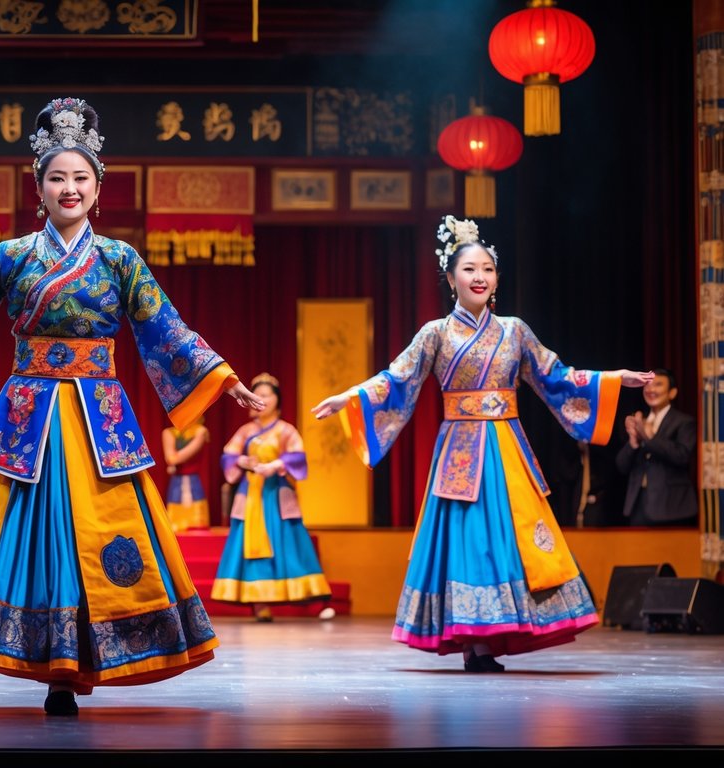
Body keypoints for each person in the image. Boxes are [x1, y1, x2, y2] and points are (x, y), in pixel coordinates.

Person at [0, 97, 264, 716]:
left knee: (103, 530)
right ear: (38, 188)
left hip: (98, 418)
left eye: (80, 177)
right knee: (36, 537)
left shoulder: (119, 259)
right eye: (57, 177)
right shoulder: (10, 257)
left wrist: (222, 378)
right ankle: (52, 665)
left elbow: (167, 330)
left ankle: (97, 649)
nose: (69, 188)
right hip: (30, 418)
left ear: (98, 188)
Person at [311, 215, 653, 673]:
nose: (480, 276)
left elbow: (556, 376)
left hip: (506, 446)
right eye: (470, 269)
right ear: (451, 277)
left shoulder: (515, 330)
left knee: (509, 537)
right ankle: (474, 639)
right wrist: (350, 397)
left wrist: (611, 379)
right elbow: (397, 378)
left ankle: (499, 630)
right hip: (459, 449)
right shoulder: (435, 333)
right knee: (467, 540)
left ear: (496, 279)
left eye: (488, 269)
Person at [212, 373, 336, 622]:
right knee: (250, 545)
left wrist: (276, 464)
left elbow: (297, 456)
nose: (262, 400)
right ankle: (260, 604)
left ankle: (311, 599)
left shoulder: (285, 430)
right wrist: (243, 461)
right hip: (251, 496)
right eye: (257, 395)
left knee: (290, 544)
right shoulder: (246, 431)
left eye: (267, 395)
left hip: (276, 495)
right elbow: (228, 456)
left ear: (277, 400)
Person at [616, 368, 698, 527]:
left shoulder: (684, 422)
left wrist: (651, 437)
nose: (651, 389)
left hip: (672, 507)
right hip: (638, 506)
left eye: (658, 384)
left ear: (672, 393)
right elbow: (621, 467)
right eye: (647, 385)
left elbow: (682, 456)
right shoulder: (640, 421)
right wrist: (633, 442)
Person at [161, 415, 210, 531]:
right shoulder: (168, 432)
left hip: (194, 481)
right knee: (175, 526)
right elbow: (171, 458)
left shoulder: (200, 431)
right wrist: (173, 459)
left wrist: (174, 458)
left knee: (196, 524)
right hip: (176, 483)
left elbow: (174, 459)